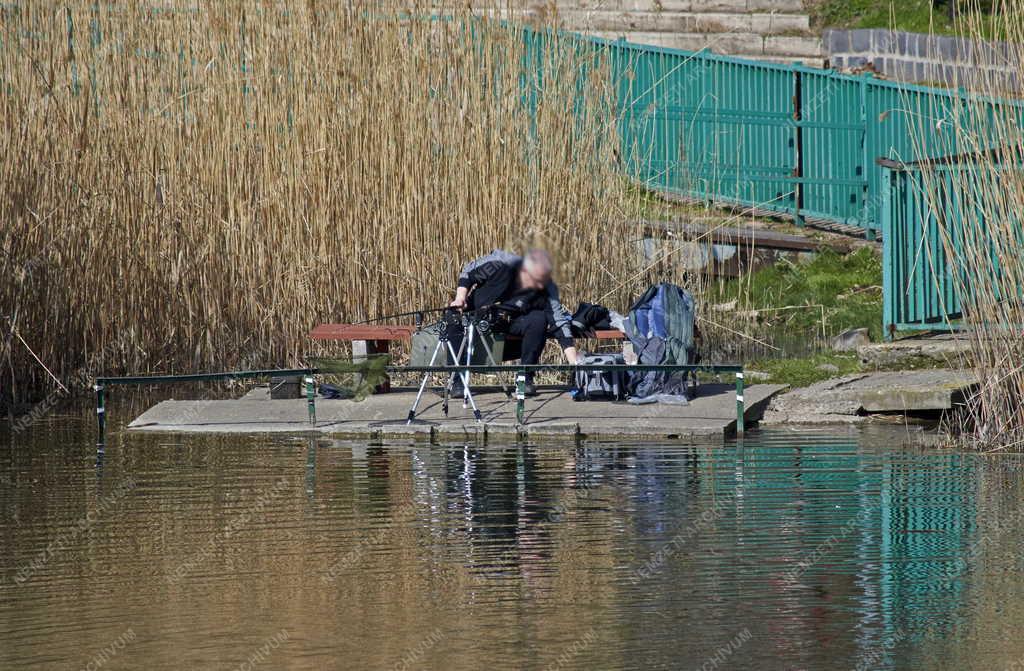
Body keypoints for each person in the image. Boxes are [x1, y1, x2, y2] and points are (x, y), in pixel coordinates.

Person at [449, 248, 580, 396]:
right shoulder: (499, 262)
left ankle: (525, 379)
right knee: (452, 316)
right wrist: (460, 298)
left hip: (511, 326)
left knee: (538, 319)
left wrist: (575, 364)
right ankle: (457, 381)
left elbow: (560, 324)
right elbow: (468, 273)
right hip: (478, 317)